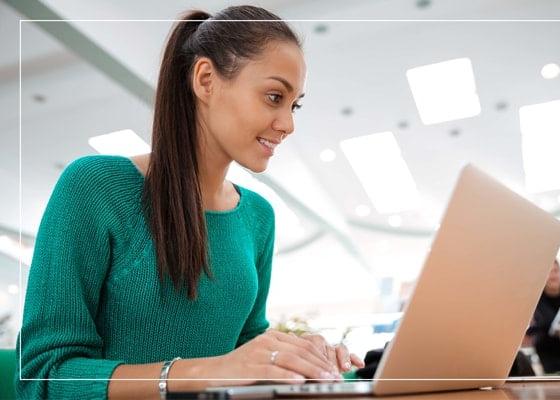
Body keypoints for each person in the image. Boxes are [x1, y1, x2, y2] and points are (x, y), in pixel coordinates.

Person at [15, 6, 364, 399]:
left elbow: (243, 348)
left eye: (294, 104)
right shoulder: (96, 187)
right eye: (273, 96)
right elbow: (43, 377)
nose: (288, 123)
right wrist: (202, 372)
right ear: (205, 80)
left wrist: (298, 361)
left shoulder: (258, 217)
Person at [525, 259, 560, 373]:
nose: (552, 275)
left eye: (555, 271)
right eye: (548, 272)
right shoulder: (538, 295)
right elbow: (548, 321)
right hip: (547, 346)